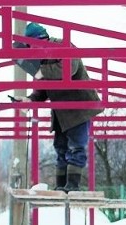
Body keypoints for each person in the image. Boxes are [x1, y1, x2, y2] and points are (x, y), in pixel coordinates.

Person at [12, 22, 103, 192]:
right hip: (61, 112)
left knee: (77, 146)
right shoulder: (40, 62)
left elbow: (69, 69)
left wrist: (42, 72)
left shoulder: (64, 46)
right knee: (60, 148)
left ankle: (72, 186)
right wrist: (29, 101)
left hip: (79, 108)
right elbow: (41, 92)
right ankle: (61, 186)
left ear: (38, 41)